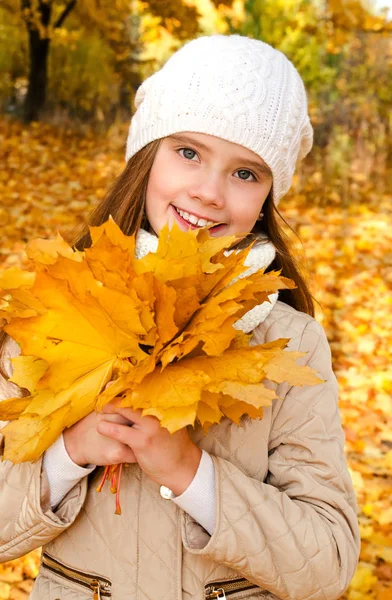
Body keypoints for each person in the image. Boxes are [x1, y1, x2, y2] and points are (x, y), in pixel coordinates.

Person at [0, 34, 360, 600]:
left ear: (268, 193)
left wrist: (195, 476)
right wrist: (69, 455)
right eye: (188, 152)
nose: (209, 192)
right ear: (146, 154)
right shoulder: (58, 306)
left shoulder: (289, 342)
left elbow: (329, 563)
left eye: (246, 173)